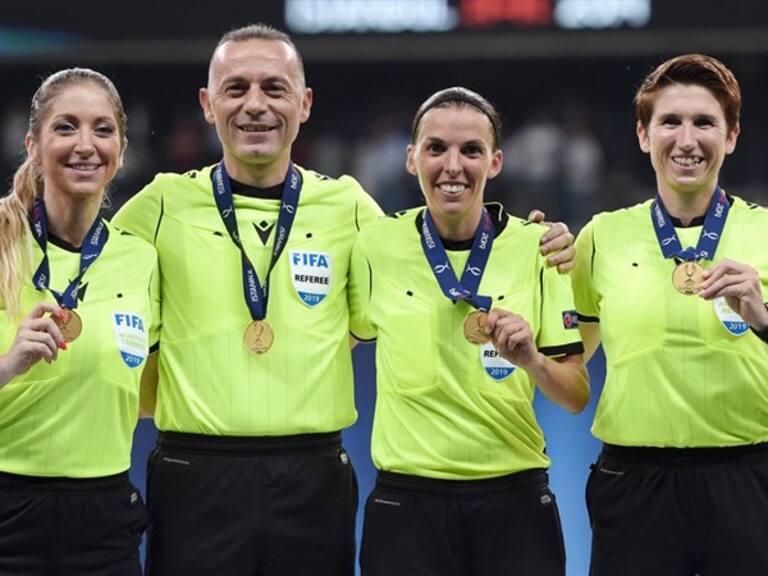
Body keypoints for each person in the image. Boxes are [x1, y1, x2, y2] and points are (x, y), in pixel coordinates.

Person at [113, 23, 577, 576]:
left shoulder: (350, 208)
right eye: (236, 89)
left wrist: (537, 241)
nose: (255, 105)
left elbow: (433, 262)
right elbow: (89, 284)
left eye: (274, 88)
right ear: (207, 105)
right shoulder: (159, 204)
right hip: (194, 472)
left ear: (304, 103)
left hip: (314, 477)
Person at [349, 87, 589, 576]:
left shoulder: (539, 249)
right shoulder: (372, 245)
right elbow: (334, 339)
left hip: (515, 501)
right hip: (406, 504)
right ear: (411, 158)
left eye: (471, 150)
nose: (453, 166)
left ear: (495, 162)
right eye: (436, 148)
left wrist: (533, 361)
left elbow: (576, 395)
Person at [572, 54, 768, 576]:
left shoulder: (767, 232)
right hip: (634, 484)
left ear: (731, 137)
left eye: (705, 122)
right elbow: (569, 366)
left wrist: (762, 316)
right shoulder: (601, 237)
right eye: (670, 122)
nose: (687, 139)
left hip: (748, 479)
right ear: (643, 134)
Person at [0, 68, 159, 576]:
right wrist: (8, 365)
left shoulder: (142, 259)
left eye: (103, 129)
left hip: (105, 517)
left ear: (122, 148)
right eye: (65, 127)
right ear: (33, 144)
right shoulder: (3, 246)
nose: (85, 145)